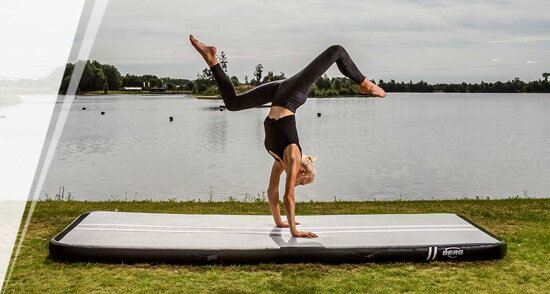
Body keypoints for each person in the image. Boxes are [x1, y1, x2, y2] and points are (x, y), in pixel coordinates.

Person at [190, 35, 386, 238]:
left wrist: (279, 222)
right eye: (303, 180)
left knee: (232, 104)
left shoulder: (279, 161)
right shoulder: (293, 156)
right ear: (301, 170)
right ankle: (365, 83)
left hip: (279, 92)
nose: (298, 183)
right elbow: (288, 196)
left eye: (300, 184)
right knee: (336, 51)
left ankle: (212, 58)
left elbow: (271, 192)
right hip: (292, 93)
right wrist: (294, 231)